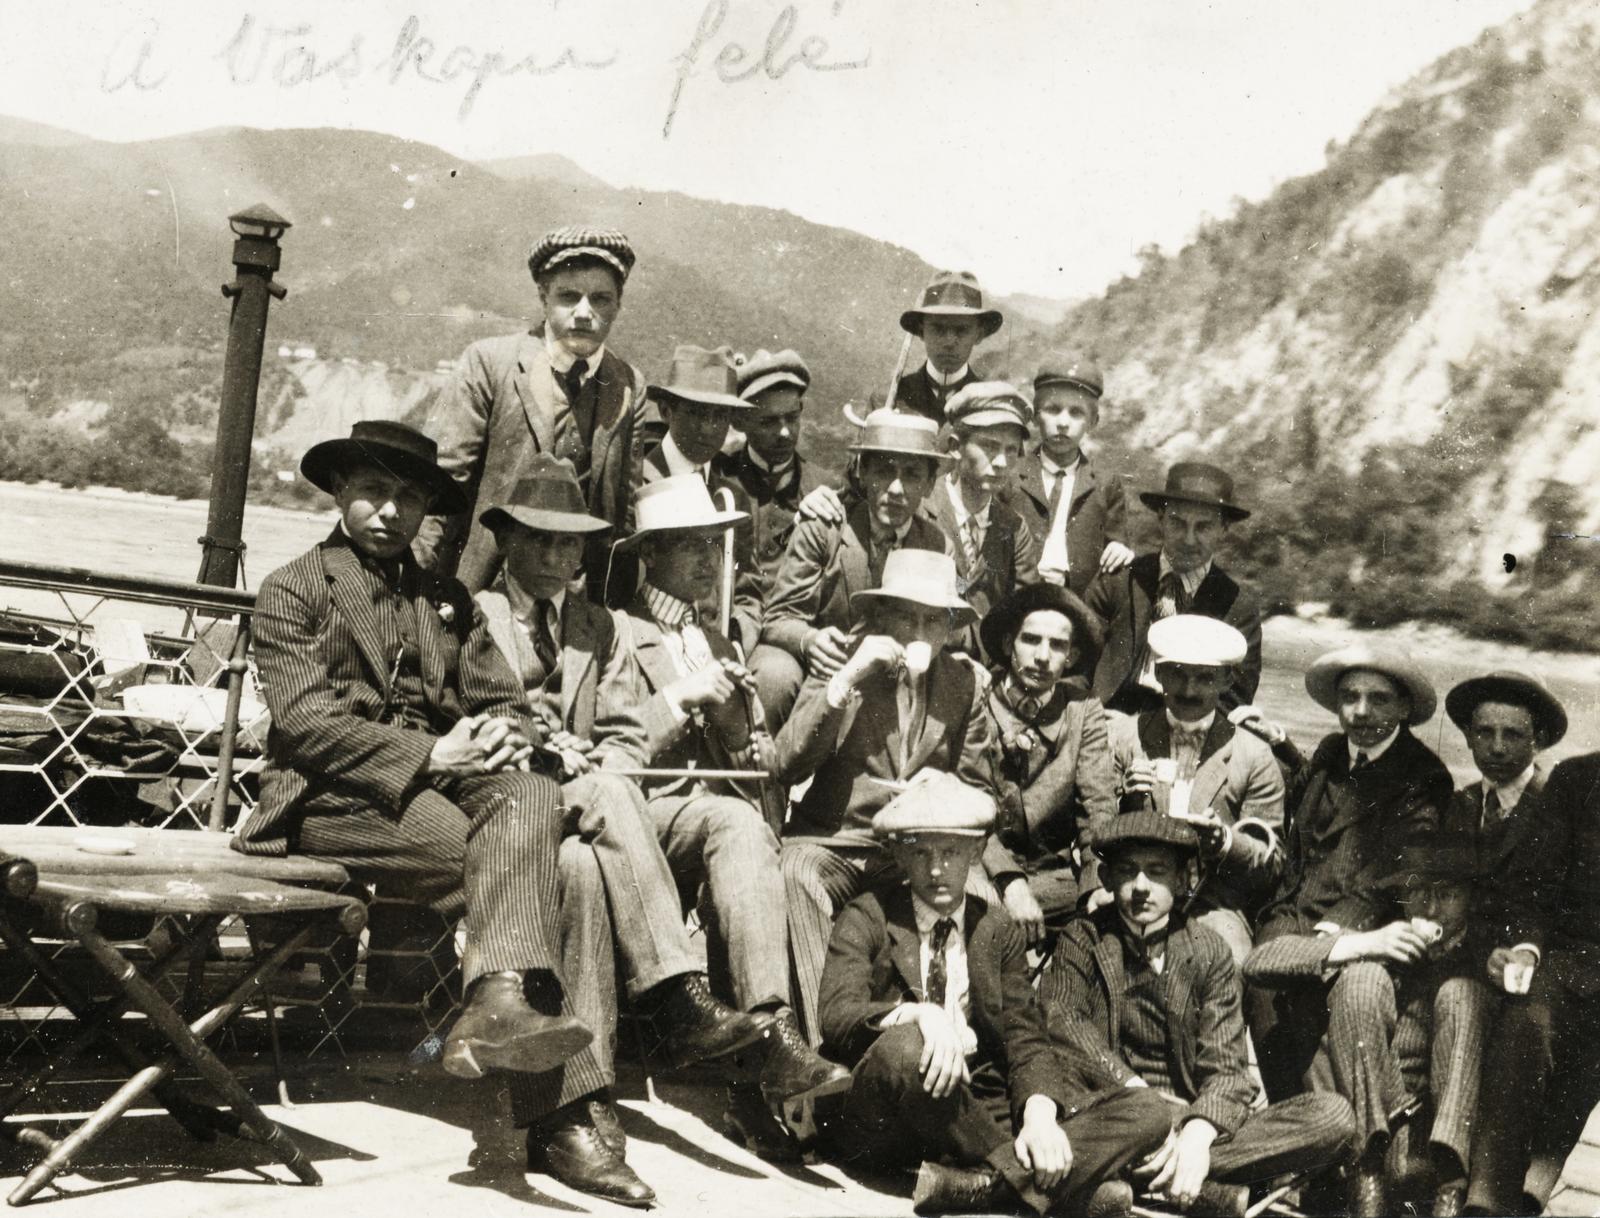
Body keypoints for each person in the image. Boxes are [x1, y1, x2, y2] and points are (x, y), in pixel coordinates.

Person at [233, 422, 618, 1191]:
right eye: (372, 491)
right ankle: (565, 1118)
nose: (389, 512)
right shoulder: (293, 589)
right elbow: (305, 726)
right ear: (340, 491)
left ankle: (499, 1011)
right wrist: (433, 753)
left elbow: (508, 701)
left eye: (408, 497)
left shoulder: (445, 599)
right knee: (552, 866)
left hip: (434, 796)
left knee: (537, 799)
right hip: (330, 799)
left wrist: (499, 734)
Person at [471, 455, 808, 1197]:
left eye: (571, 545)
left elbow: (624, 739)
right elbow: (477, 712)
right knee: (604, 804)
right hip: (507, 805)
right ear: (507, 541)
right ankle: (674, 998)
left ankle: (581, 1109)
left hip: (592, 812)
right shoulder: (477, 614)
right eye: (540, 542)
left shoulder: (593, 625)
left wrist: (600, 760)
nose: (558, 559)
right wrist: (552, 747)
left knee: (590, 865)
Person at [609, 474, 853, 1154]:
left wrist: (827, 698)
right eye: (685, 545)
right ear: (649, 554)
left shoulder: (720, 642)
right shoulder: (617, 631)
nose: (704, 560)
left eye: (711, 548)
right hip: (638, 813)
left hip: (713, 821)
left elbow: (763, 761)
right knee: (736, 826)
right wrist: (683, 697)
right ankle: (767, 1041)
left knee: (747, 831)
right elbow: (611, 745)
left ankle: (762, 1046)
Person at [816, 771, 1175, 1218]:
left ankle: (987, 1184)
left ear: (974, 853)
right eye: (920, 852)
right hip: (891, 1117)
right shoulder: (868, 914)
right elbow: (835, 1015)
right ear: (900, 857)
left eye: (949, 853)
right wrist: (919, 1014)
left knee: (1148, 1110)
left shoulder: (996, 928)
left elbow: (1025, 1036)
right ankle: (1047, 1185)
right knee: (908, 1048)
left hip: (974, 1105)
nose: (935, 869)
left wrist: (1040, 1117)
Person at [772, 549, 1029, 1043]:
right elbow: (787, 763)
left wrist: (939, 794)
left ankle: (964, 1050)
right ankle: (820, 1050)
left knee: (977, 896)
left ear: (950, 627)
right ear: (880, 617)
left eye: (932, 619)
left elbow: (980, 793)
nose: (917, 631)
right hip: (837, 841)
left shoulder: (963, 682)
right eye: (905, 616)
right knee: (796, 876)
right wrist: (846, 681)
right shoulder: (845, 663)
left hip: (920, 847)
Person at [1043, 814, 1355, 1218]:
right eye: (1127, 871)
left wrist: (1195, 1136)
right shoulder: (1082, 938)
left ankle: (1149, 1180)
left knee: (1334, 1116)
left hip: (1188, 1121)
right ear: (1105, 877)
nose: (1141, 886)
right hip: (1113, 1118)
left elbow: (1226, 1070)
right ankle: (1198, 1190)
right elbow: (1066, 1025)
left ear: (1183, 880)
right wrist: (1138, 1100)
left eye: (1156, 872)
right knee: (1067, 1127)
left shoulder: (1209, 951)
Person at [1239, 645, 1453, 1215]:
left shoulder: (1424, 777)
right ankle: (1305, 1135)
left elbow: (1401, 870)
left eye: (1378, 699)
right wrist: (1282, 744)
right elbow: (1313, 790)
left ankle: (1350, 1156)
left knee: (1329, 990)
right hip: (1293, 908)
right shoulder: (1335, 752)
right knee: (1264, 983)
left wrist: (1343, 927)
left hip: (1369, 921)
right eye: (1349, 697)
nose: (1360, 710)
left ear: (1404, 707)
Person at [1245, 837, 1493, 1218]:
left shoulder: (1480, 953)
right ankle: (1367, 1175)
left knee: (1462, 996)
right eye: (1418, 893)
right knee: (1363, 979)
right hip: (1369, 1143)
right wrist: (1364, 944)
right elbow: (1259, 963)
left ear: (1471, 901)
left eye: (1447, 896)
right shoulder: (1380, 937)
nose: (1429, 908)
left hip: (1437, 1145)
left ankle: (1451, 1189)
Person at [416, 225, 647, 600]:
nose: (585, 313)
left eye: (601, 299)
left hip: (576, 606)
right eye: (569, 297)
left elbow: (623, 515)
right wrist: (411, 591)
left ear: (618, 305)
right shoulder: (490, 364)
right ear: (544, 297)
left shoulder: (628, 385)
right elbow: (438, 489)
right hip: (481, 595)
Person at [749, 407, 954, 732]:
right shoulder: (824, 528)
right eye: (885, 471)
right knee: (773, 674)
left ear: (930, 484)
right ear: (863, 472)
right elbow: (778, 617)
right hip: (823, 669)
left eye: (912, 474)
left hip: (891, 675)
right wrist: (810, 641)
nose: (897, 489)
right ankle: (764, 777)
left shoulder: (935, 546)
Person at [1101, 615, 1284, 965]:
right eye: (1179, 675)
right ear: (1158, 673)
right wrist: (1126, 800)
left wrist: (1226, 842)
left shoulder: (1253, 754)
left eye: (1205, 678)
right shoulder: (1123, 738)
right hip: (1133, 891)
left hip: (1212, 901)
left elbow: (1272, 863)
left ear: (1227, 679)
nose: (1189, 691)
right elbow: (1093, 825)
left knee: (1228, 962)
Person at [1466, 748, 1600, 1217]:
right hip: (1567, 956)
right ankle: (1486, 1198)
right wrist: (1526, 947)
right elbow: (1536, 887)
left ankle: (1533, 1187)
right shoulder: (1577, 778)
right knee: (1527, 1016)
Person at [977, 582, 1115, 926]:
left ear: (1072, 657)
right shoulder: (977, 702)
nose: (1042, 656)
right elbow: (969, 806)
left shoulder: (1083, 711)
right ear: (1009, 644)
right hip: (983, 868)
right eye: (1031, 640)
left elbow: (1097, 805)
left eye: (1057, 645)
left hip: (1054, 878)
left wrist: (1098, 882)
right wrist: (1010, 881)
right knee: (985, 922)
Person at [1084, 462, 1261, 715]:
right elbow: (1077, 662)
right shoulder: (1120, 578)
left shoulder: (1238, 607)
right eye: (1178, 523)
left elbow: (1233, 701)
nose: (1189, 539)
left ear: (1224, 529)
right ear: (1161, 519)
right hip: (1105, 718)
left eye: (1203, 527)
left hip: (1183, 730)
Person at [634, 344, 763, 645]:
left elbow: (747, 592)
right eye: (695, 413)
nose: (707, 429)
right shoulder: (636, 484)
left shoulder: (731, 498)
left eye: (720, 416)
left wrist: (735, 642)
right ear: (666, 412)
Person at [921, 381, 1040, 656]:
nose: (1001, 462)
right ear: (955, 446)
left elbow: (1025, 610)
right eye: (989, 446)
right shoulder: (923, 509)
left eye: (1011, 450)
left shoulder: (1014, 528)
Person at [1002, 355, 1133, 595]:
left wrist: (1119, 547)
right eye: (1052, 409)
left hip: (1079, 599)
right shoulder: (1010, 475)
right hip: (1016, 594)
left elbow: (1116, 542)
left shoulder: (1106, 484)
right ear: (1034, 416)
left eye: (1076, 413)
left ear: (1093, 421)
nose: (1063, 423)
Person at [1439, 669, 1566, 876]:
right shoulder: (1457, 805)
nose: (1497, 748)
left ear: (1538, 741)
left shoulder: (1557, 807)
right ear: (1469, 737)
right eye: (1485, 732)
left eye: (1512, 734)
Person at [718, 347, 821, 602]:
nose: (785, 432)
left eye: (792, 418)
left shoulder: (826, 488)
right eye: (769, 422)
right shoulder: (719, 481)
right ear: (740, 422)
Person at [892, 270, 1003, 424]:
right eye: (938, 329)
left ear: (978, 335)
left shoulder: (993, 406)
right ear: (921, 331)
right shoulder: (891, 399)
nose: (949, 342)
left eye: (961, 330)